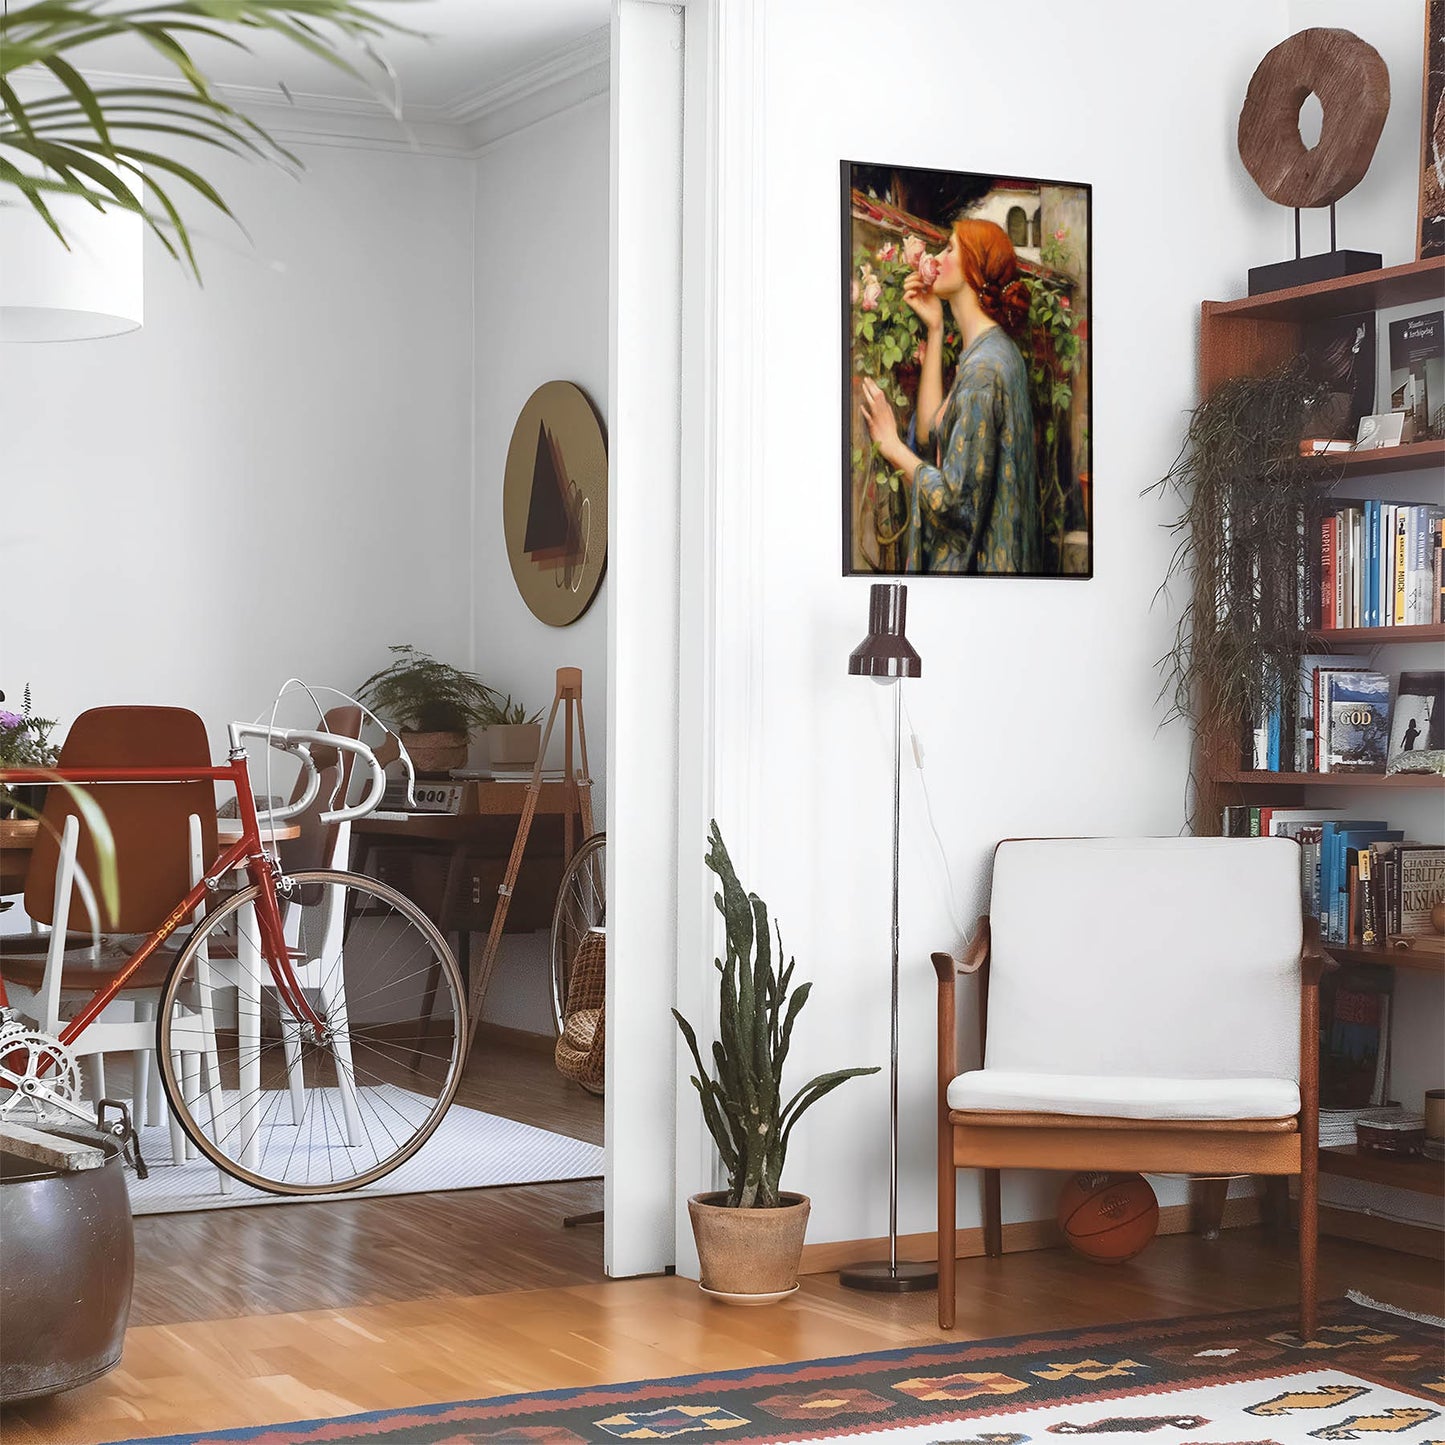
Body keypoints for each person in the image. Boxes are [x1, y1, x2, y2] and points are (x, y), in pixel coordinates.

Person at [860, 217, 1039, 573]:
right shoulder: (991, 351)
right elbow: (931, 434)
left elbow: (957, 503)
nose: (938, 258)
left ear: (974, 266)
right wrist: (936, 328)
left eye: (951, 248)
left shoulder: (984, 371)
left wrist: (892, 446)